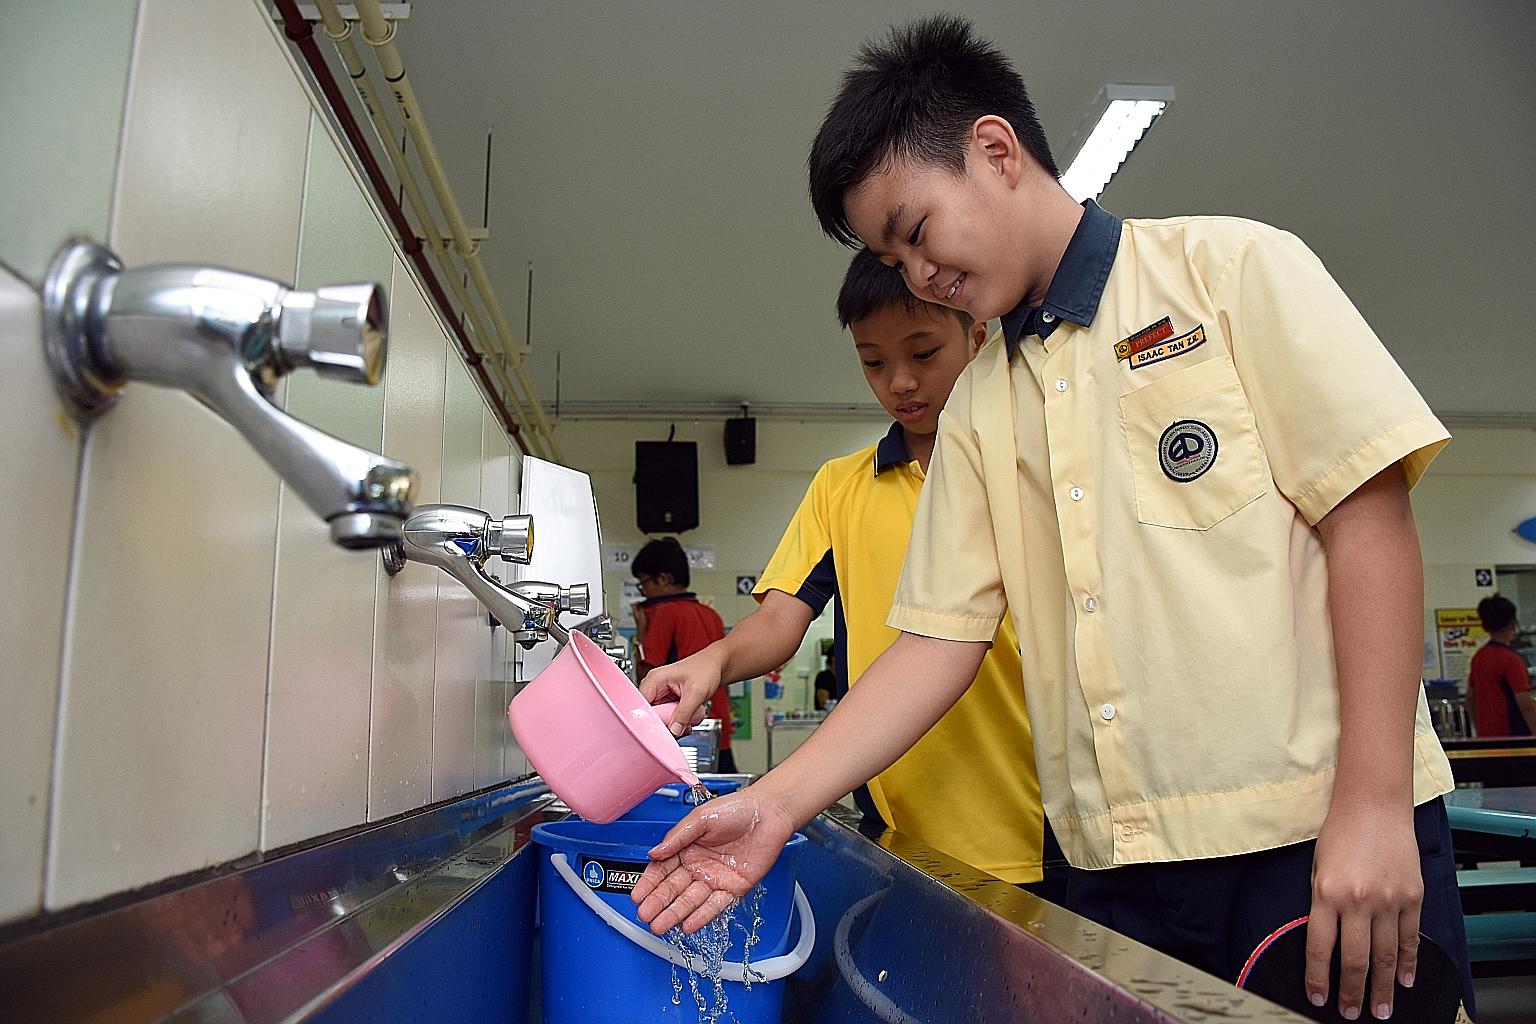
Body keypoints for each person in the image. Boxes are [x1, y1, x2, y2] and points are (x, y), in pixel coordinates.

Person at [634, 15, 1472, 1022]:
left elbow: (1367, 523)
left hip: (1313, 845)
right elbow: (936, 642)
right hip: (1111, 877)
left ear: (995, 150)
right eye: (891, 256)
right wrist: (772, 805)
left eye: (915, 230)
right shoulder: (978, 405)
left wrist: (1374, 805)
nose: (916, 273)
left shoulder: (1229, 271)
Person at [640, 249, 1045, 885]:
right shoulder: (842, 486)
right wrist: (713, 661)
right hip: (894, 825)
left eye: (923, 354)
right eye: (873, 362)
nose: (900, 382)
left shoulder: (1031, 466)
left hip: (1033, 821)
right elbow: (780, 618)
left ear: (977, 334)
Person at [630, 537, 735, 773]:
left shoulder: (665, 613)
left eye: (643, 584)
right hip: (718, 726)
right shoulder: (711, 615)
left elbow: (649, 679)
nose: (643, 592)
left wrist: (641, 633)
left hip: (684, 728)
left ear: (663, 579)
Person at [1466, 594, 1535, 737]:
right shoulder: (1511, 660)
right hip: (1513, 738)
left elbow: (1470, 698)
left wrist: (1480, 731)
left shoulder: (1479, 657)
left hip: (1488, 738)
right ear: (1513, 624)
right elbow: (1525, 704)